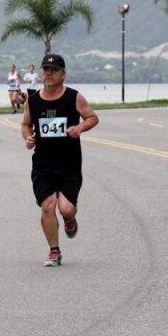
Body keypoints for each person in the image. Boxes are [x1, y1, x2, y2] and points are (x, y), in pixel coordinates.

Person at [21, 53, 99, 267]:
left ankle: (69, 219)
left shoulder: (73, 97)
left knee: (65, 208)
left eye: (53, 70)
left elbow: (92, 117)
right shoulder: (33, 100)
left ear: (63, 74)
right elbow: (26, 124)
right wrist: (28, 137)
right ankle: (54, 251)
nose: (48, 73)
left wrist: (80, 127)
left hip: (69, 163)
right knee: (47, 205)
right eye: (45, 69)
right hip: (43, 163)